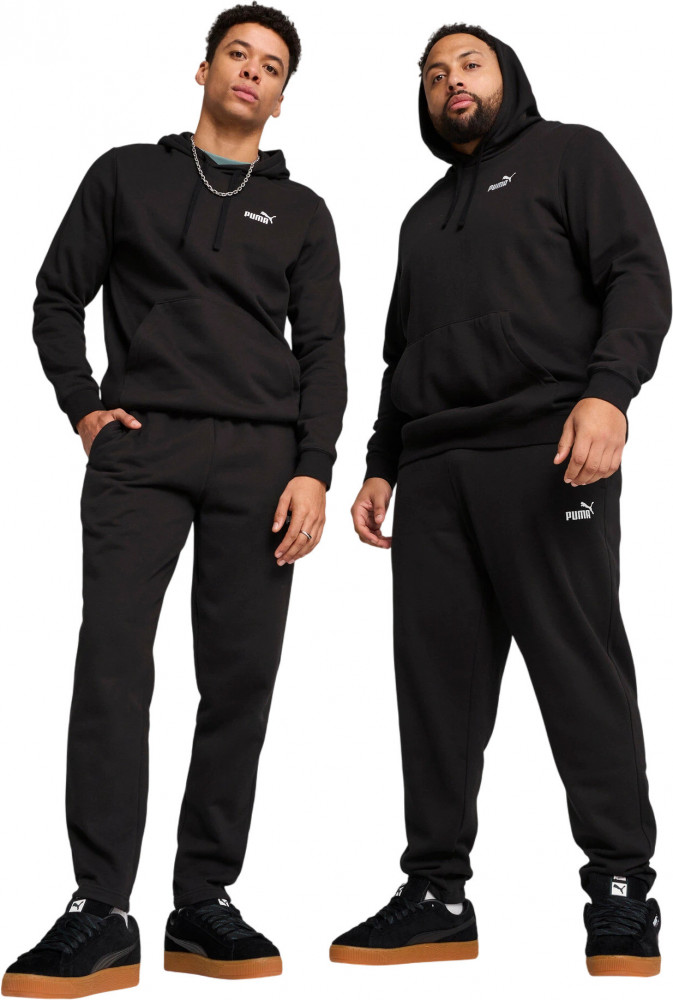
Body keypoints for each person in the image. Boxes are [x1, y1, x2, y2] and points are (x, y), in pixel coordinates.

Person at [2, 3, 346, 995]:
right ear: (203, 71)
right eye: (236, 54)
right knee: (112, 665)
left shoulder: (303, 211)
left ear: (282, 97)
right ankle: (100, 908)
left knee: (238, 679)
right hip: (141, 447)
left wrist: (313, 467)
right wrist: (84, 407)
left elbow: (322, 349)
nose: (251, 71)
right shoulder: (123, 176)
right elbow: (55, 297)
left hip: (262, 461)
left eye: (271, 65)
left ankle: (202, 902)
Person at [332, 22, 669, 977]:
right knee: (434, 689)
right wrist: (382, 463)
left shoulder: (571, 155)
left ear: (505, 76)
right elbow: (402, 355)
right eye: (434, 73)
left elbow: (638, 275)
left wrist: (608, 393)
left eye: (468, 64)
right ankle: (436, 895)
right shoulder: (420, 217)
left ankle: (619, 887)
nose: (451, 81)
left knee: (577, 666)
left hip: (546, 448)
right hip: (435, 473)